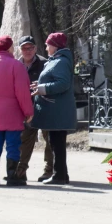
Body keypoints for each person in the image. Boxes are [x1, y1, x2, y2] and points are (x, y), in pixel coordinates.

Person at [0, 36, 34, 187]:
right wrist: (28, 111)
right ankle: (12, 176)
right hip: (12, 111)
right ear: (10, 48)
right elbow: (22, 92)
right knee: (12, 143)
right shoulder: (17, 66)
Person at [30, 32, 77, 185]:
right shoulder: (56, 60)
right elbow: (54, 79)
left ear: (55, 46)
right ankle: (62, 173)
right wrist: (40, 84)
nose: (46, 46)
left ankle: (59, 175)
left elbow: (63, 84)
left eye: (48, 44)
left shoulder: (61, 61)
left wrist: (43, 88)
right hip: (55, 110)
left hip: (58, 110)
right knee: (56, 143)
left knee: (57, 143)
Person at [13, 35, 54, 183]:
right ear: (20, 50)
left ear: (35, 48)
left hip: (44, 107)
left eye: (30, 48)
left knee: (49, 140)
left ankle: (49, 170)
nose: (28, 51)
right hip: (24, 108)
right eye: (24, 48)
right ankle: (21, 170)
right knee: (25, 139)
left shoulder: (45, 63)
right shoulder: (16, 65)